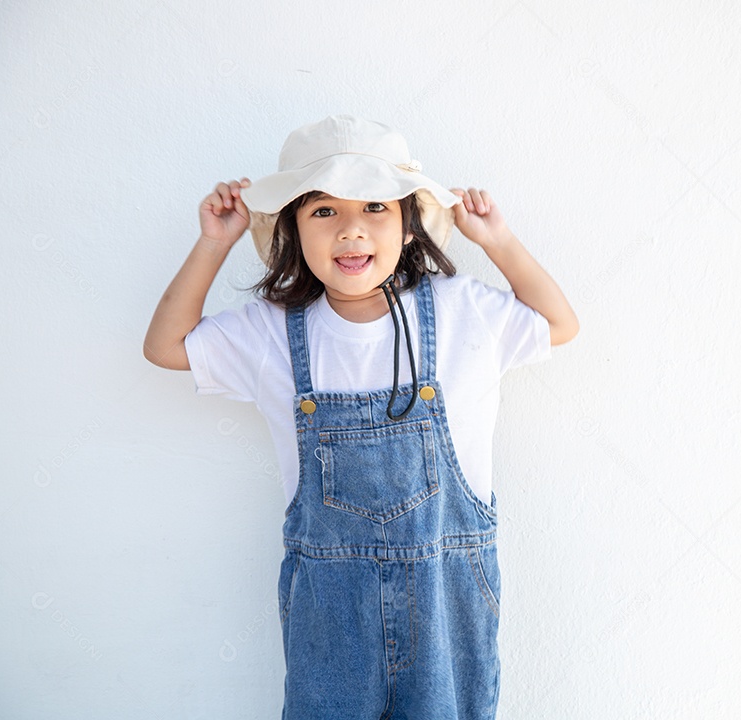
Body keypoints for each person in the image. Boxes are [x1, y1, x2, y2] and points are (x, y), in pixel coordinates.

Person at [143, 114, 578, 719]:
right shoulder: (272, 332)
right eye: (324, 212)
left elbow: (559, 325)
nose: (351, 231)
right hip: (331, 623)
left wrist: (498, 240)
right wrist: (215, 242)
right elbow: (166, 346)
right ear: (293, 229)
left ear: (408, 223)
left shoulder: (461, 313)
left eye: (375, 206)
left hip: (445, 611)